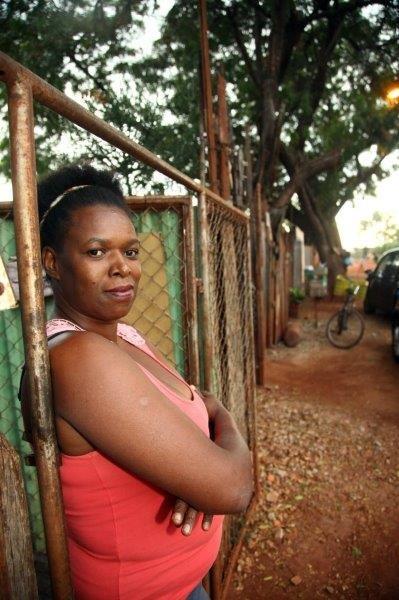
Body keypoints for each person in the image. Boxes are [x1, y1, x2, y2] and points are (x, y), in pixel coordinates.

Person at [20, 165, 253, 600]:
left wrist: (202, 457)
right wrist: (220, 434)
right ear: (52, 261)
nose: (122, 269)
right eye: (96, 252)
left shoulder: (122, 334)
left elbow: (200, 409)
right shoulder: (79, 358)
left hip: (185, 585)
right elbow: (235, 487)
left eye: (130, 251)